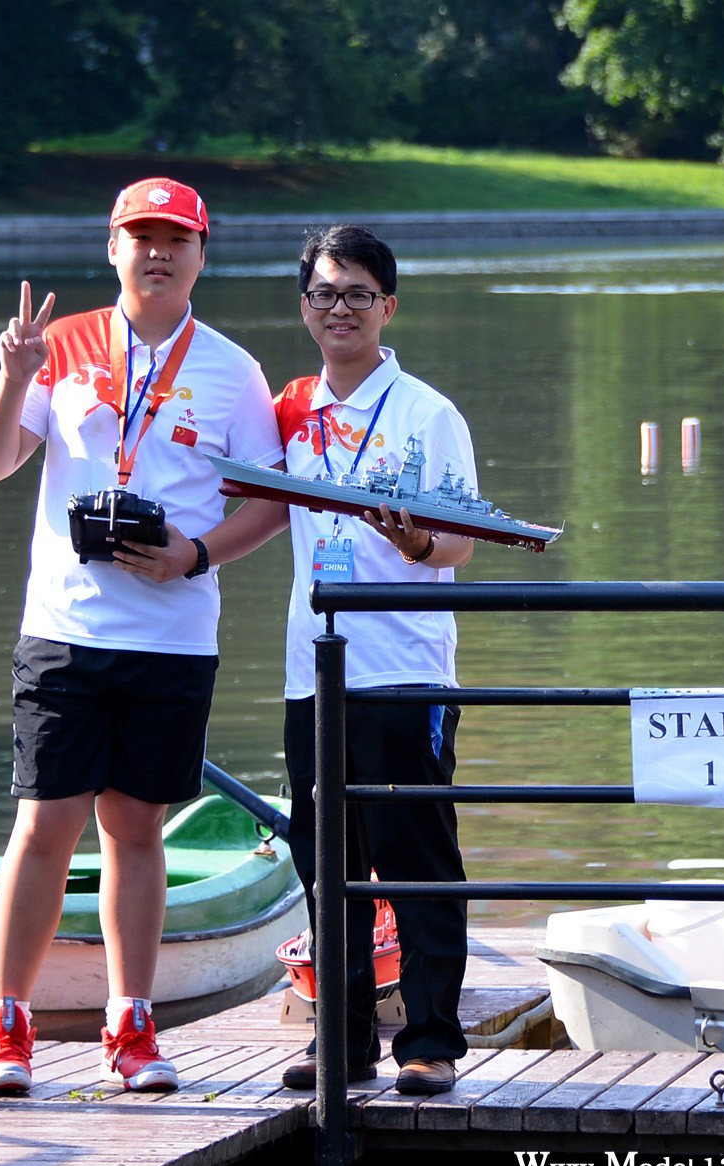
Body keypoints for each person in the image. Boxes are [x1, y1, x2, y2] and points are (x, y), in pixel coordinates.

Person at [0, 177, 284, 1096]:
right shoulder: (58, 348)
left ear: (200, 255)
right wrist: (13, 375)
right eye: (140, 235)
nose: (157, 251)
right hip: (64, 629)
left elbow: (270, 504)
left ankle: (131, 1024)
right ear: (112, 249)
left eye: (175, 237)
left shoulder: (232, 369)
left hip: (174, 635)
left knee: (136, 828)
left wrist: (193, 555)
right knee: (45, 824)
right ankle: (8, 1025)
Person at [274, 224, 474, 1096]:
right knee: (327, 866)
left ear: (387, 306)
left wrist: (417, 537)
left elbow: (462, 543)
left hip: (404, 672)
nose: (340, 308)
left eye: (358, 293)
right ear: (305, 308)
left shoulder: (427, 412)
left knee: (420, 864)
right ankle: (343, 1040)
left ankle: (429, 1042)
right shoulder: (290, 413)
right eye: (324, 293)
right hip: (310, 671)